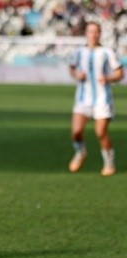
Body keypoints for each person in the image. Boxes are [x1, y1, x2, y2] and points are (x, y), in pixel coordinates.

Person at [68, 21, 123, 176]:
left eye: (96, 32)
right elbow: (72, 68)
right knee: (76, 132)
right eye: (90, 31)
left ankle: (109, 162)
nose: (93, 34)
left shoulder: (106, 52)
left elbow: (119, 73)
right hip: (82, 99)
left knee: (100, 132)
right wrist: (76, 74)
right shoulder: (78, 52)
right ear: (86, 33)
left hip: (102, 99)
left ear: (100, 34)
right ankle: (80, 152)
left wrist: (108, 78)